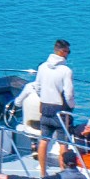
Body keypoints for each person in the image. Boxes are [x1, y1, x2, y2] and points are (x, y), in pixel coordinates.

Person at [32, 39, 75, 172]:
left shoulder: (42, 67)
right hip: (60, 110)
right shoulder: (66, 70)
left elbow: (37, 86)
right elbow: (68, 94)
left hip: (44, 107)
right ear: (62, 52)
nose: (68, 54)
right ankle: (63, 172)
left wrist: (44, 97)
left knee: (44, 140)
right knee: (63, 143)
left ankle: (42, 172)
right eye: (68, 51)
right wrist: (72, 106)